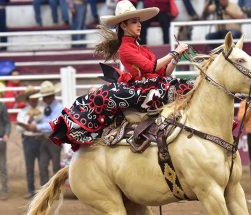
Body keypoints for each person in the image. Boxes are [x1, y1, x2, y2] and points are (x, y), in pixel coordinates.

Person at [49, 0, 193, 151]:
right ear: (124, 26)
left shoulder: (140, 48)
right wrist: (174, 52)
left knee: (183, 85)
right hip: (143, 90)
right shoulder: (125, 48)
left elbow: (164, 72)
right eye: (133, 22)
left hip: (152, 85)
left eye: (139, 21)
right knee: (183, 86)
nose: (139, 25)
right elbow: (151, 66)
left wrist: (176, 58)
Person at [22, 81, 63, 186]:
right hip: (46, 139)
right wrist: (35, 121)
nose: (43, 99)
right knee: (42, 166)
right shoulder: (47, 107)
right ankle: (45, 190)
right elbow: (46, 122)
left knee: (55, 167)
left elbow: (54, 125)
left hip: (54, 140)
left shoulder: (59, 108)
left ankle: (56, 190)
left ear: (50, 96)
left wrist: (36, 126)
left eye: (44, 97)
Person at [15, 86, 43, 199]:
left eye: (35, 98)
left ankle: (43, 190)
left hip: (41, 139)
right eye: (31, 98)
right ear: (28, 99)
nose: (34, 100)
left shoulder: (43, 109)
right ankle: (31, 190)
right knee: (29, 167)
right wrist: (29, 119)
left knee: (43, 166)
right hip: (28, 140)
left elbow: (47, 125)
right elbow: (18, 129)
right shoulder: (23, 112)